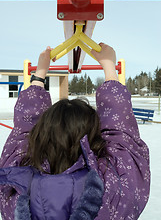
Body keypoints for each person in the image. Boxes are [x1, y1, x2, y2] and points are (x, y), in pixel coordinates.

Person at [0, 43, 150, 220]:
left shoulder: (14, 192)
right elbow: (123, 138)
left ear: (40, 135)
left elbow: (22, 132)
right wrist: (110, 67)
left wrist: (39, 74)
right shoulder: (113, 193)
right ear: (93, 138)